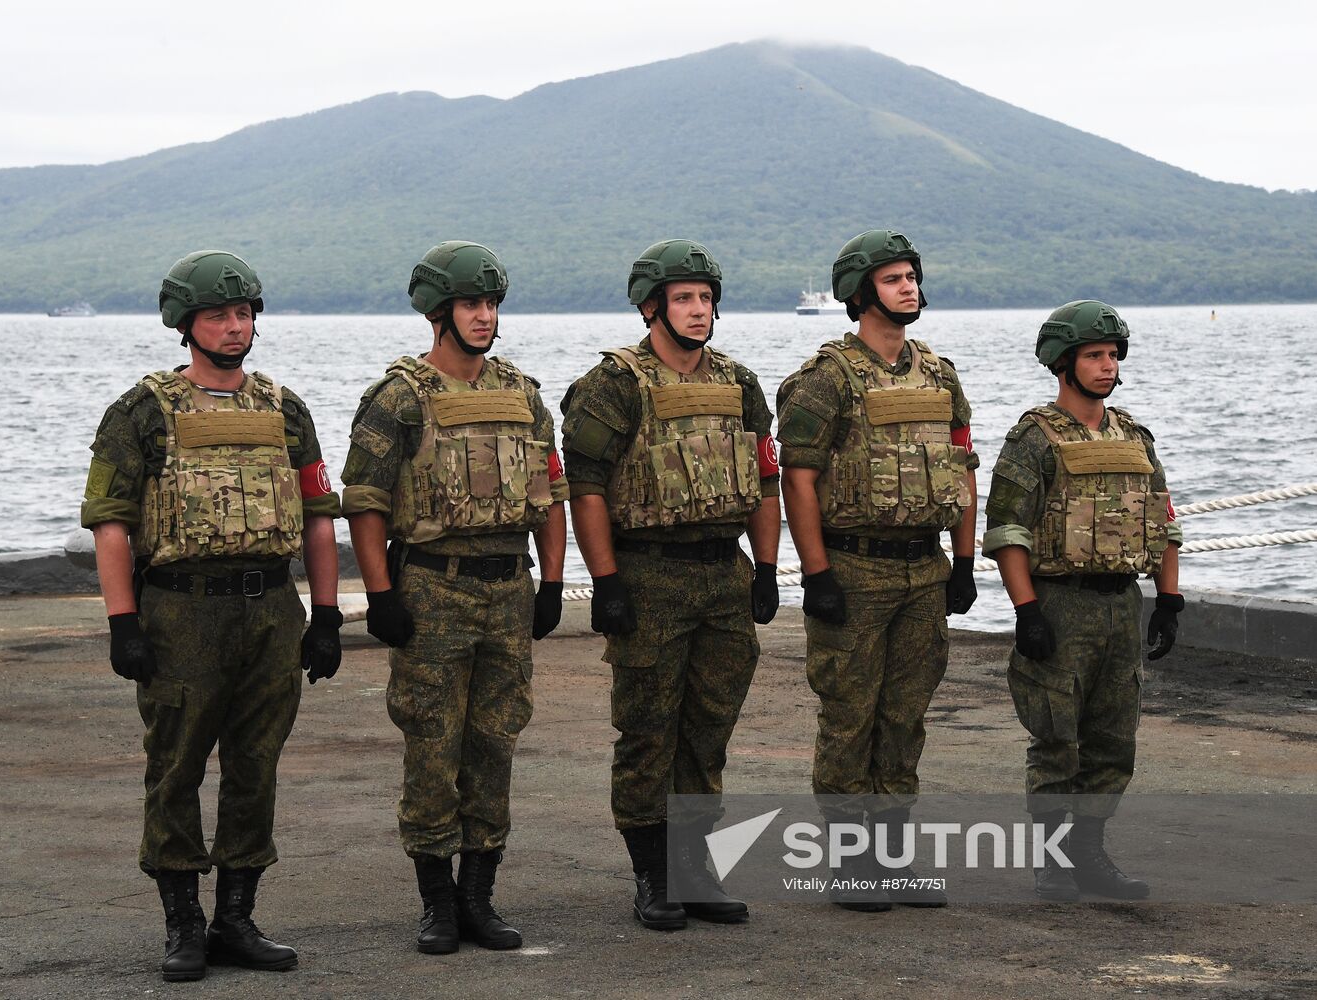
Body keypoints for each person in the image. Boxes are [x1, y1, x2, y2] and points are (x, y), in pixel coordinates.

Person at [81, 250, 343, 981]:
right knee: (176, 767)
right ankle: (183, 923)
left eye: (244, 313)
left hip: (270, 608)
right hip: (181, 613)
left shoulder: (284, 409)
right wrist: (122, 622)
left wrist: (327, 616)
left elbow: (320, 516)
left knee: (255, 767)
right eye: (218, 316)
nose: (235, 327)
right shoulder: (141, 411)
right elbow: (110, 523)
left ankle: (236, 917)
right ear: (185, 324)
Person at [341, 241, 567, 954]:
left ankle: (479, 898)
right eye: (471, 304)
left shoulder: (524, 394)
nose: (484, 316)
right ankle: (437, 903)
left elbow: (552, 494)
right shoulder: (399, 397)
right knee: (432, 746)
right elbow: (366, 503)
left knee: (496, 742)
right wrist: (380, 594)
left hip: (507, 587)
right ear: (439, 313)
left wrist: (554, 582)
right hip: (433, 586)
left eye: (492, 304)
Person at [560, 239, 781, 931]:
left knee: (707, 733)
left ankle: (695, 869)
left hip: (722, 573)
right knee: (648, 731)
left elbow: (765, 480)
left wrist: (770, 568)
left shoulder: (739, 383)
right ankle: (652, 877)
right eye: (683, 299)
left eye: (705, 298)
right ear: (652, 306)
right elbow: (586, 487)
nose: (697, 310)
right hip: (649, 574)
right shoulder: (614, 385)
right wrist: (605, 581)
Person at [777, 230, 978, 912]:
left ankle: (891, 861)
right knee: (849, 719)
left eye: (912, 277)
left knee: (904, 719)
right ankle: (851, 863)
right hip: (855, 570)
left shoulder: (940, 375)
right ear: (860, 295)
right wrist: (815, 573)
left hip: (923, 569)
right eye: (893, 280)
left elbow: (962, 468)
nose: (909, 288)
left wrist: (965, 560)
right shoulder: (824, 379)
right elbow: (797, 481)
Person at [983, 300, 1183, 902]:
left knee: (1113, 740)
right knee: (1055, 739)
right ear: (1062, 362)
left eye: (1113, 355)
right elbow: (1007, 530)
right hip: (1061, 603)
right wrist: (1026, 610)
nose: (1107, 366)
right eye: (1094, 355)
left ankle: (1089, 855)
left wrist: (1168, 599)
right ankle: (1051, 864)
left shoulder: (1134, 437)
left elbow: (1165, 523)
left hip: (1121, 604)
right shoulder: (1033, 439)